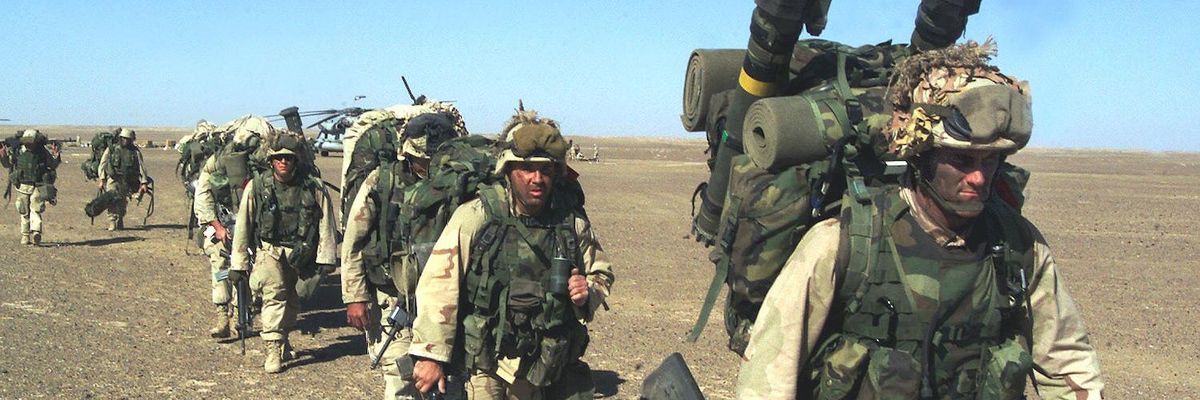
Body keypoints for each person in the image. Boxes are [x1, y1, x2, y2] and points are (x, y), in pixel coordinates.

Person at [735, 41, 1104, 399]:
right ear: (922, 156)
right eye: (962, 161)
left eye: (990, 161)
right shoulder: (844, 242)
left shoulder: (1017, 248)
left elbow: (1066, 363)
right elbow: (768, 376)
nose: (979, 178)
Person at [409, 109, 614, 399]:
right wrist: (431, 355)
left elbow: (602, 272)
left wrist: (587, 292)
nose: (537, 178)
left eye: (545, 170)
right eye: (526, 169)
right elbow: (439, 285)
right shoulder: (478, 215)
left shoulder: (570, 221)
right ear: (507, 170)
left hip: (544, 362)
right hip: (488, 364)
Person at [342, 112, 457, 399]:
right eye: (422, 160)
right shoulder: (381, 181)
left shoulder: (459, 184)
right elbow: (354, 242)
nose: (428, 166)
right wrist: (355, 296)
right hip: (392, 296)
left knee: (446, 378)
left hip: (444, 301)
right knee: (400, 375)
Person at [228, 133, 337, 373]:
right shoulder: (258, 186)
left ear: (296, 160)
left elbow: (327, 223)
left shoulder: (313, 186)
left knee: (293, 300)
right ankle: (272, 349)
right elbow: (244, 224)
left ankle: (284, 338)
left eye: (288, 158)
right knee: (274, 295)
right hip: (269, 250)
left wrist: (327, 258)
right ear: (271, 161)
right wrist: (239, 263)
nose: (283, 162)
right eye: (279, 158)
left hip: (301, 252)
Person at [193, 124, 258, 339]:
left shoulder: (259, 163)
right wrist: (217, 227)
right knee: (220, 269)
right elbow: (203, 195)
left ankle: (243, 315)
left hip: (249, 227)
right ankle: (223, 316)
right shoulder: (217, 163)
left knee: (247, 272)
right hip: (221, 226)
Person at [0, 129, 61, 245]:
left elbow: (52, 165)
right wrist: (3, 156)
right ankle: (28, 235)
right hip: (23, 185)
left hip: (37, 186)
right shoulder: (18, 151)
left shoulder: (42, 152)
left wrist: (56, 154)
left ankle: (33, 233)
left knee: (34, 209)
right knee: (25, 211)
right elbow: (8, 164)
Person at [96, 128, 151, 231]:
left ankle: (120, 219)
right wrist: (102, 179)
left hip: (126, 180)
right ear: (120, 138)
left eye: (128, 139)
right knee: (112, 199)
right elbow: (102, 164)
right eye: (124, 138)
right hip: (112, 179)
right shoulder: (112, 149)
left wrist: (144, 182)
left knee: (122, 201)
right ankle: (112, 222)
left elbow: (141, 167)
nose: (126, 141)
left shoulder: (135, 151)